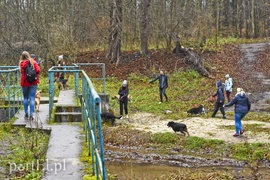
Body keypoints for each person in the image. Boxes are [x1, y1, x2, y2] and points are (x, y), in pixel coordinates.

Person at [19, 51, 40, 120]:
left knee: (25, 98)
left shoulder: (21, 63)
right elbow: (38, 70)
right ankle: (31, 115)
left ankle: (26, 114)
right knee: (32, 98)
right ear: (28, 55)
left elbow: (21, 72)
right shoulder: (33, 62)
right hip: (33, 82)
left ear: (22, 56)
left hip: (24, 82)